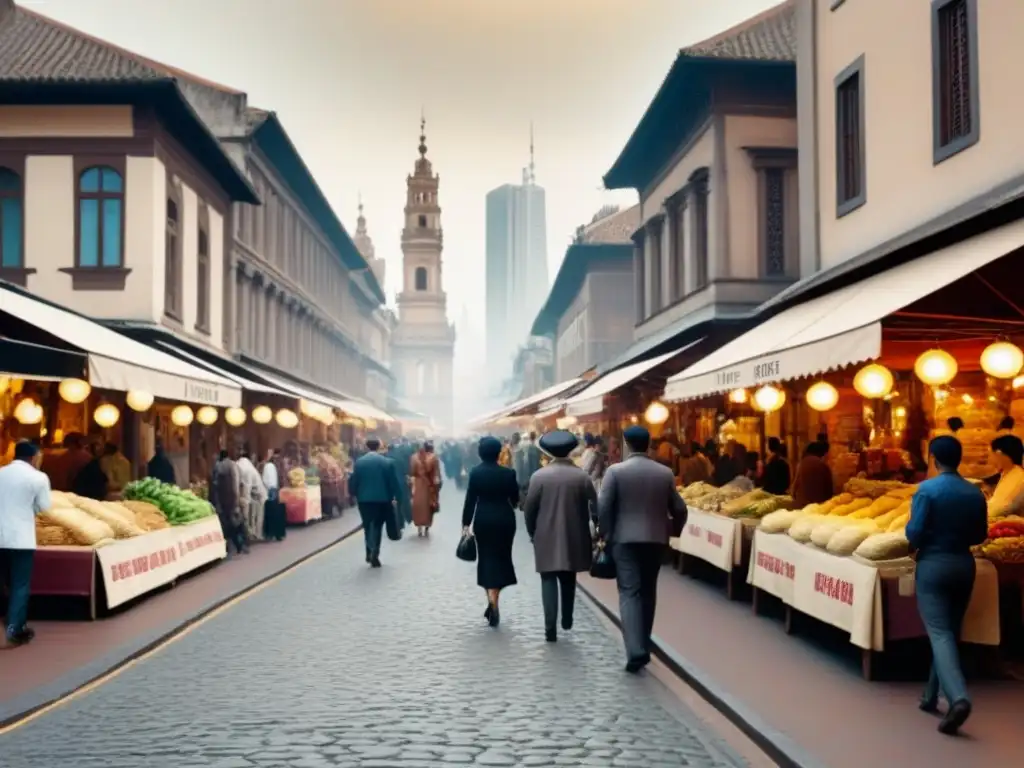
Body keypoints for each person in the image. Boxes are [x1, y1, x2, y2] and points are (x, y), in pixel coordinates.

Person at [906, 435, 988, 735]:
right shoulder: (974, 492)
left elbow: (913, 533)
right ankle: (930, 696)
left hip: (933, 565)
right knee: (949, 633)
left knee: (939, 633)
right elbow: (981, 535)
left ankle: (958, 698)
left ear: (933, 458)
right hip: (964, 565)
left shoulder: (927, 490)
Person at [597, 425, 687, 673]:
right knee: (648, 590)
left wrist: (604, 533)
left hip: (624, 540)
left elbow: (603, 507)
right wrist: (674, 530)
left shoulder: (614, 472)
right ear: (648, 445)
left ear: (626, 444)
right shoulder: (664, 473)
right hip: (656, 539)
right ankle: (643, 641)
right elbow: (679, 508)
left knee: (629, 592)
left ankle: (635, 649)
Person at [523, 430, 597, 643]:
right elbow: (595, 504)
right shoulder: (581, 476)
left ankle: (550, 628)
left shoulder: (539, 476)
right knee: (568, 577)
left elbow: (529, 509)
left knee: (547, 578)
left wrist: (532, 532)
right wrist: (597, 527)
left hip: (545, 535)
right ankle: (566, 617)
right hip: (575, 534)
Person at [462, 436, 519, 627]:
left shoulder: (475, 473)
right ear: (498, 453)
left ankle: (492, 600)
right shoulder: (508, 473)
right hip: (505, 520)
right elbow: (516, 499)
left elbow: (470, 500)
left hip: (483, 520)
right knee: (502, 558)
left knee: (486, 559)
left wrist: (465, 524)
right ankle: (495, 597)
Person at [0, 441, 51, 647]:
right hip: (21, 538)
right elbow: (44, 507)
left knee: (2, 583)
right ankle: (14, 628)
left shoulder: (1, 472)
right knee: (19, 585)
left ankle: (10, 622)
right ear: (34, 457)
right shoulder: (38, 477)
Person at [348, 437, 401, 567]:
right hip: (383, 499)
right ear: (379, 446)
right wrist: (398, 497)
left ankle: (369, 550)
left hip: (364, 500)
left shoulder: (359, 462)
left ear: (366, 447)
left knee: (367, 526)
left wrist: (353, 494)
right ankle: (374, 552)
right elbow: (393, 482)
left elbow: (354, 481)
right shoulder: (387, 462)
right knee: (378, 525)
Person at [212, 449, 248, 555]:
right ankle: (240, 544)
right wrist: (237, 500)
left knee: (227, 524)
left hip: (223, 500)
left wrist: (217, 502)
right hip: (232, 498)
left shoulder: (218, 467)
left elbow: (215, 486)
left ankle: (231, 546)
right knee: (235, 522)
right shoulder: (233, 466)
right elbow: (237, 484)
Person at [986, 434, 1024, 517]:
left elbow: (995, 511)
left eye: (990, 455)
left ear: (999, 454)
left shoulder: (1017, 477)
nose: (989, 460)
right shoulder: (1010, 473)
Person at [410, 440, 442, 537]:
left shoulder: (414, 457)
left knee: (418, 506)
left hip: (418, 484)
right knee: (430, 505)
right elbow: (437, 474)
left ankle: (419, 527)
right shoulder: (434, 458)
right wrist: (437, 487)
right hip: (430, 485)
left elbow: (412, 472)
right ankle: (427, 526)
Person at [791, 441, 834, 508]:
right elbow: (829, 490)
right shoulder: (823, 465)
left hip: (801, 506)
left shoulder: (801, 464)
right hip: (818, 507)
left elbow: (794, 489)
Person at [236, 448, 266, 543]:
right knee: (252, 515)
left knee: (256, 516)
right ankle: (252, 534)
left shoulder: (245, 470)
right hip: (254, 494)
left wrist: (244, 504)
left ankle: (256, 535)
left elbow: (246, 489)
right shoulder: (242, 466)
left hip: (259, 495)